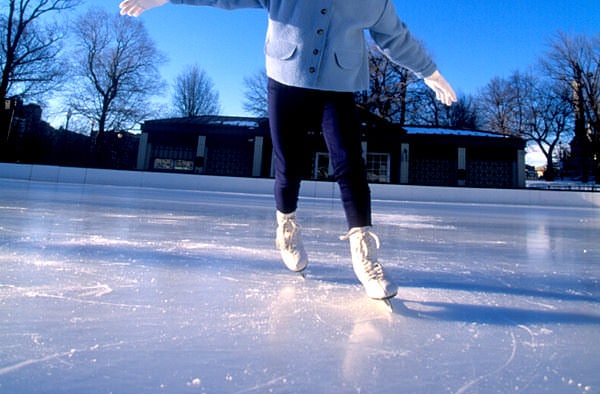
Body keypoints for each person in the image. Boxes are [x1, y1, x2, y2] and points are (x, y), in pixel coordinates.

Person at [120, 0, 457, 300]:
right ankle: (287, 229)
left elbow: (395, 37)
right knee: (288, 164)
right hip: (284, 76)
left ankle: (365, 256)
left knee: (350, 163)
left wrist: (430, 72)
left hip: (337, 86)